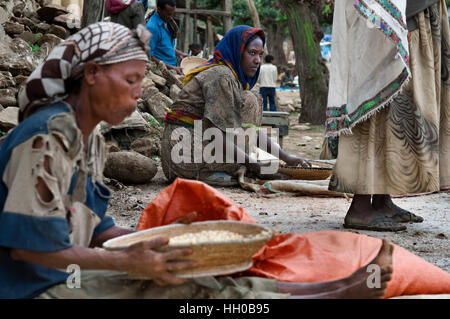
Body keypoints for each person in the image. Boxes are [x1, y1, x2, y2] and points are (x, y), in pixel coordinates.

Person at [0, 22, 395, 299]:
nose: (140, 92)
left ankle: (319, 292)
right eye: (130, 80)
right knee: (185, 291)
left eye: (142, 80)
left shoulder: (88, 137)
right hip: (34, 286)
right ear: (90, 73)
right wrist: (132, 262)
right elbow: (28, 250)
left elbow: (95, 227)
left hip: (58, 271)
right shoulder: (46, 140)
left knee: (189, 270)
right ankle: (321, 295)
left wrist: (161, 242)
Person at [323, 0, 450, 231]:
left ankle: (381, 200)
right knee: (379, 96)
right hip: (389, 19)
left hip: (416, 11)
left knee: (395, 109)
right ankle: (360, 207)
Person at [161, 25, 310, 186]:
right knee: (251, 102)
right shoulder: (221, 77)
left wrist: (286, 158)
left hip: (188, 150)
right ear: (237, 51)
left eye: (260, 55)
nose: (257, 60)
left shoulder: (230, 77)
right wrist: (253, 164)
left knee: (250, 98)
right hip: (183, 158)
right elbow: (215, 136)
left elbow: (249, 130)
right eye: (252, 53)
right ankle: (209, 172)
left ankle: (234, 167)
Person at [146, 0, 188, 75]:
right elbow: (150, 56)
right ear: (159, 9)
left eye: (172, 14)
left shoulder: (167, 21)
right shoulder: (152, 28)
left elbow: (165, 46)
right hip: (162, 71)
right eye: (168, 14)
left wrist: (180, 53)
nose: (171, 17)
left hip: (172, 66)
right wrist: (172, 68)